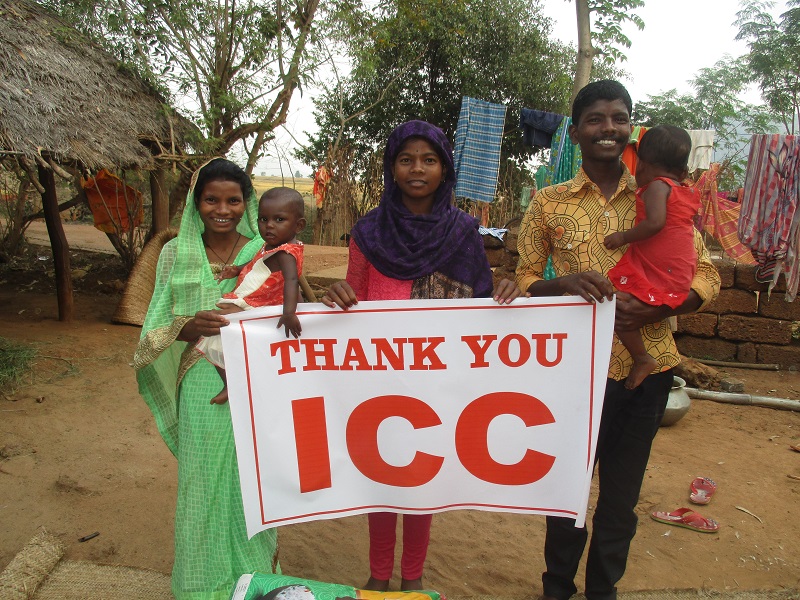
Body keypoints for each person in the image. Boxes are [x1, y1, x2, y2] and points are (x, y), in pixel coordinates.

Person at [514, 81, 720, 600]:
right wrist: (564, 283)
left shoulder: (660, 193)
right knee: (567, 496)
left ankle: (603, 591)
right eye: (595, 119)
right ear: (576, 131)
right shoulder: (549, 203)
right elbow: (524, 279)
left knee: (620, 501)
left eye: (619, 118)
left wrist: (660, 307)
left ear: (631, 128)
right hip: (572, 374)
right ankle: (556, 589)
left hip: (647, 374)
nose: (608, 128)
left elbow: (707, 275)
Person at [321, 120, 522, 592]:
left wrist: (506, 294)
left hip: (437, 381)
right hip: (379, 376)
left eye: (428, 160)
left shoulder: (463, 232)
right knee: (380, 475)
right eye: (406, 159)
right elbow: (354, 293)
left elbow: (480, 302)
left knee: (421, 478)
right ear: (391, 168)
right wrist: (336, 296)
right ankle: (378, 576)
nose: (417, 169)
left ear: (444, 168)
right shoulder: (368, 231)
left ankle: (411, 579)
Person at [134, 158, 281, 599]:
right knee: (201, 479)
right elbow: (156, 322)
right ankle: (201, 586)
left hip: (254, 380)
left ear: (246, 203)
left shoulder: (264, 249)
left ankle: (253, 577)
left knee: (252, 480)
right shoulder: (175, 253)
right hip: (199, 378)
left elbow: (287, 314)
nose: (222, 209)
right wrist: (188, 326)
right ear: (195, 203)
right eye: (211, 200)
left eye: (233, 200)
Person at [602, 125, 700, 390]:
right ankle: (643, 358)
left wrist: (623, 237)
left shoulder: (657, 186)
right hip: (680, 270)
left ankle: (642, 358)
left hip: (660, 270)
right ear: (683, 171)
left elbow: (655, 223)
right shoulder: (683, 190)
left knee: (619, 307)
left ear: (642, 165)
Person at [197, 187, 306, 404]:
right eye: (264, 219)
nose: (269, 225)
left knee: (219, 329)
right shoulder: (273, 246)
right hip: (254, 297)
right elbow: (258, 262)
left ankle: (234, 383)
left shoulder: (287, 254)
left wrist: (289, 313)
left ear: (299, 225)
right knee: (217, 333)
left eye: (279, 219)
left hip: (260, 302)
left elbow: (292, 281)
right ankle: (233, 383)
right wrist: (237, 269)